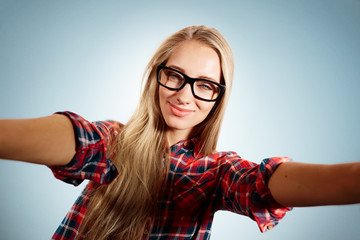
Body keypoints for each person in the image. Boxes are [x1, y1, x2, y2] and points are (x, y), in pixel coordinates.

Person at [0, 25, 359, 240]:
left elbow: (266, 183)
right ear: (157, 75)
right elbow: (79, 139)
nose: (185, 95)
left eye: (204, 84)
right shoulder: (111, 142)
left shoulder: (215, 173)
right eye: (175, 76)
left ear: (219, 96)